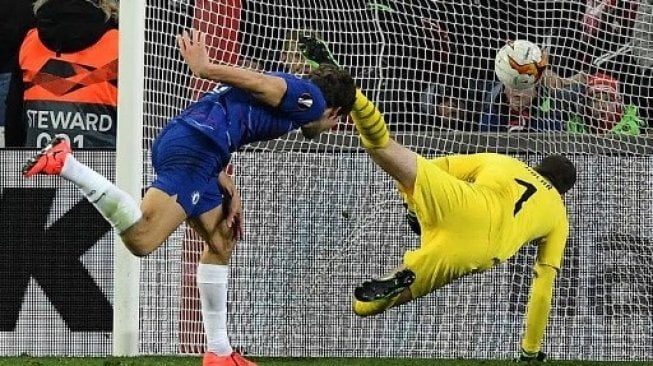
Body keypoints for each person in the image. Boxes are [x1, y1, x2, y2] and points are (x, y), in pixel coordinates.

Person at [22, 29, 356, 366]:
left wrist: (224, 178)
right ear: (336, 112)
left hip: (199, 149)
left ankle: (220, 353)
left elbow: (231, 108)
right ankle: (67, 164)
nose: (331, 129)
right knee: (142, 240)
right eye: (339, 123)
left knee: (222, 240)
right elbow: (261, 82)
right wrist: (206, 69)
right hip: (195, 151)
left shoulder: (293, 105)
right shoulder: (310, 99)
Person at [346, 89, 576, 362]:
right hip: (477, 248)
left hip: (461, 202)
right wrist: (530, 349)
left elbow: (437, 166)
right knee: (364, 307)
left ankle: (352, 94)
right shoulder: (558, 215)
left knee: (395, 158)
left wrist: (414, 203)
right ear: (563, 193)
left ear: (535, 166)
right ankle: (399, 277)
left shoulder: (505, 162)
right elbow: (542, 287)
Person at [12, 0, 119, 148]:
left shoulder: (29, 41)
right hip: (101, 168)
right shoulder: (122, 44)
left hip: (39, 166)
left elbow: (14, 120)